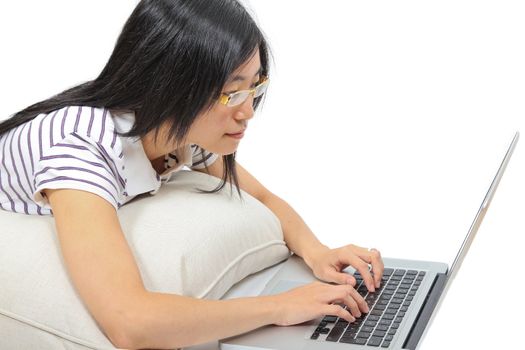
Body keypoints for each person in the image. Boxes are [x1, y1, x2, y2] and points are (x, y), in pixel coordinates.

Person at [0, 0, 384, 348]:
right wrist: (278, 308)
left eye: (254, 87)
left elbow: (262, 198)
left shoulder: (178, 129)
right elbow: (129, 321)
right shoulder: (79, 150)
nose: (247, 111)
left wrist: (318, 253)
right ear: (170, 87)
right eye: (232, 93)